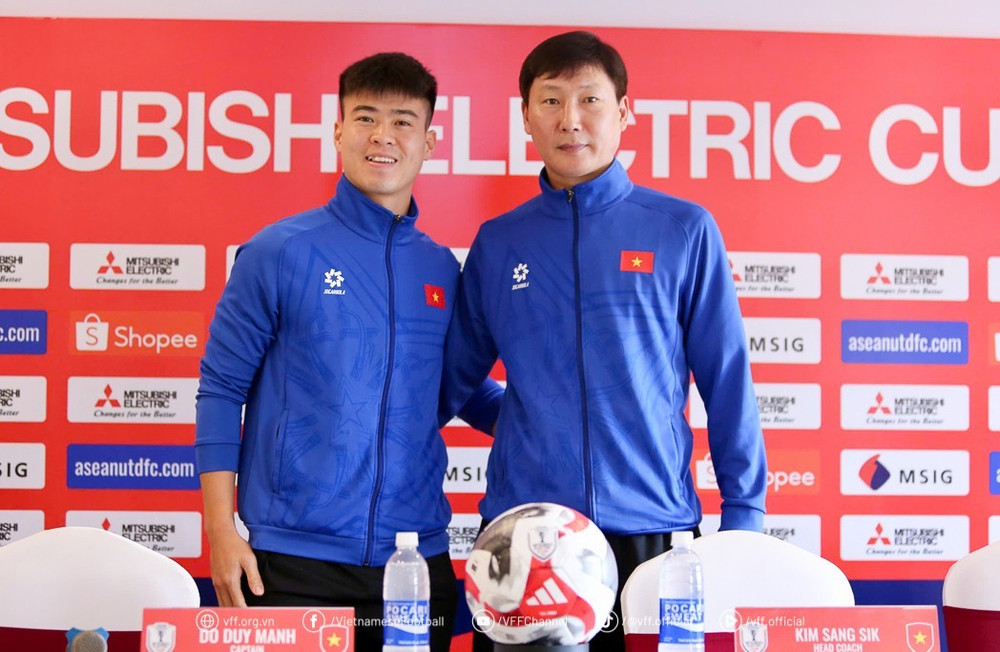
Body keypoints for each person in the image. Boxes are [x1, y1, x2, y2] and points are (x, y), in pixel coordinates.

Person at [439, 31, 768, 651]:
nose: (570, 119)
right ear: (526, 117)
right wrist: (525, 419)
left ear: (624, 111)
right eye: (551, 101)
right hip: (524, 541)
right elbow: (451, 380)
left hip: (654, 535)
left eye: (589, 99)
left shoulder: (682, 229)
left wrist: (745, 520)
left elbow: (727, 383)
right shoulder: (499, 242)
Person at [195, 51, 501, 652]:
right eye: (365, 118)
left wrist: (559, 421)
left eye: (402, 121)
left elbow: (461, 387)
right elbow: (221, 389)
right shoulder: (279, 251)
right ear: (338, 132)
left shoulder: (441, 268)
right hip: (291, 566)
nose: (383, 135)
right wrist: (220, 531)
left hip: (416, 563)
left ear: (429, 142)